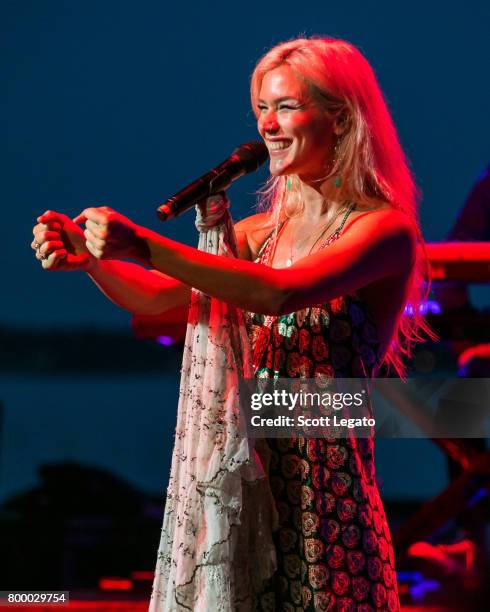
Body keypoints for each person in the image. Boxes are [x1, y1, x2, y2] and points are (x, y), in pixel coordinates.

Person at [32, 37, 430, 611]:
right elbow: (158, 301)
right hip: (247, 472)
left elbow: (279, 293)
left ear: (341, 118)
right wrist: (93, 261)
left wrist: (143, 244)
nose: (268, 125)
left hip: (325, 485)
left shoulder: (382, 229)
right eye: (261, 109)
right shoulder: (255, 233)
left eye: (287, 107)